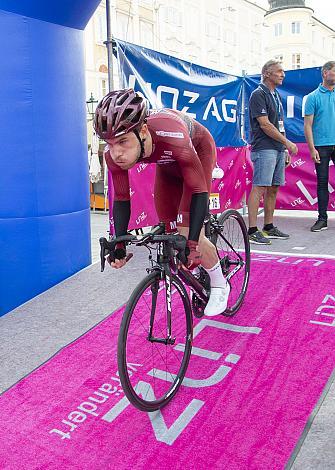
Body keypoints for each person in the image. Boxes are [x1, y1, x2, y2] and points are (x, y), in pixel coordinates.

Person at [94, 88, 230, 316]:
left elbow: (198, 191)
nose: (116, 153)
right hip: (168, 163)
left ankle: (219, 283)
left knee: (187, 232)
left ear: (143, 131)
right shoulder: (113, 154)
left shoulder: (172, 135)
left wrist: (193, 244)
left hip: (197, 149)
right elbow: (121, 198)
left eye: (123, 142)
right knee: (169, 224)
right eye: (109, 143)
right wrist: (119, 244)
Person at [247, 60, 298, 245]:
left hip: (277, 149)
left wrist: (284, 149)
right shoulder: (258, 94)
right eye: (279, 71)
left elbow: (280, 125)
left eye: (283, 71)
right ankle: (252, 230)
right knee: (259, 187)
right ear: (267, 73)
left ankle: (268, 227)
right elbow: (265, 125)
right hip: (264, 148)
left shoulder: (275, 95)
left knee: (274, 188)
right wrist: (288, 143)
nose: (283, 74)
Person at [304, 61, 335, 232]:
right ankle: (322, 219)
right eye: (334, 72)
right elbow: (308, 125)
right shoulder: (313, 97)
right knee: (322, 183)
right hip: (321, 147)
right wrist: (311, 148)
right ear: (325, 73)